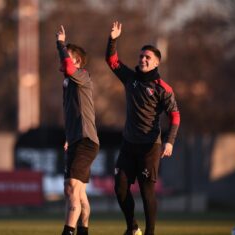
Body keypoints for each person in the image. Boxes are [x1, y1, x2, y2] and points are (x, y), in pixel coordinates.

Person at [105, 21, 180, 235]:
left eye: (148, 57)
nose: (143, 59)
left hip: (150, 147)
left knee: (147, 192)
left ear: (156, 63)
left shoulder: (162, 88)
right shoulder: (130, 78)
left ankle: (150, 233)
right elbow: (111, 60)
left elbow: (175, 114)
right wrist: (113, 39)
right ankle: (132, 228)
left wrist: (170, 141)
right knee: (120, 188)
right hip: (129, 144)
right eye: (141, 56)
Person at [56, 25, 99, 235]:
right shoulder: (67, 83)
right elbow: (71, 115)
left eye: (69, 56)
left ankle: (68, 231)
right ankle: (83, 231)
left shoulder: (82, 75)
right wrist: (68, 137)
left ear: (78, 61)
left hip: (86, 141)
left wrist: (61, 44)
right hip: (75, 140)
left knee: (73, 188)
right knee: (76, 193)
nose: (64, 59)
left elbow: (67, 64)